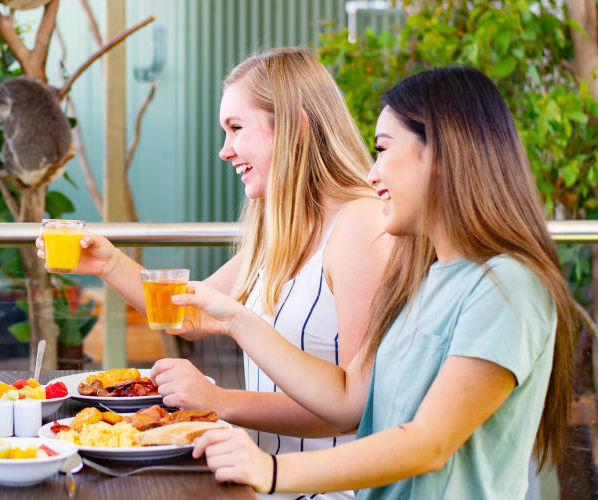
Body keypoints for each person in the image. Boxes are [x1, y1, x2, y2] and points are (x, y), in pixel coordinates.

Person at [184, 67, 576, 498]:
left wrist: (271, 470)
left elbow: (428, 444)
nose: (371, 175)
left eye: (383, 150)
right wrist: (237, 321)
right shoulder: (420, 281)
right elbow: (346, 403)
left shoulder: (509, 287)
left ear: (443, 155)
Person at [38, 48, 390, 498]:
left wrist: (219, 400)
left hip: (328, 489)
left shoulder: (361, 225)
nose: (225, 151)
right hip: (258, 481)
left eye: (236, 129)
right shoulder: (279, 228)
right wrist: (108, 263)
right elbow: (188, 315)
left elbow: (355, 407)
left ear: (295, 128)